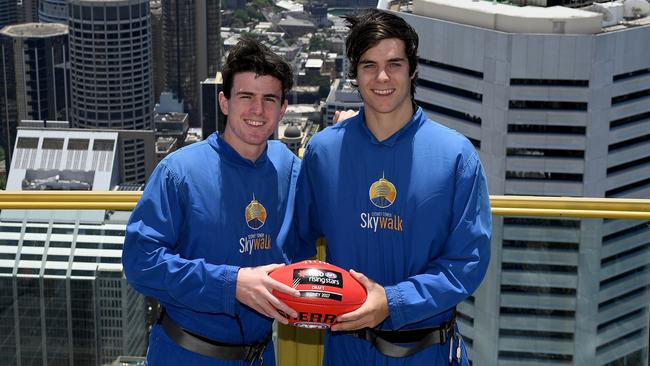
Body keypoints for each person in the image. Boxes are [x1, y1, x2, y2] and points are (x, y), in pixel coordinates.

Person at [295, 9, 492, 365]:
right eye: (368, 65)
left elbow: (468, 261)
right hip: (345, 351)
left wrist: (392, 301)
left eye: (394, 64)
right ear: (354, 74)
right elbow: (295, 243)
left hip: (426, 352)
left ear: (413, 70)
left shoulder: (456, 156)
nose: (381, 76)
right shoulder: (324, 153)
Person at [122, 38, 308, 366]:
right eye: (246, 97)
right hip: (187, 355)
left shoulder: (287, 165)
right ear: (224, 102)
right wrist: (232, 283)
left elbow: (306, 238)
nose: (257, 111)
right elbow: (141, 263)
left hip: (262, 354)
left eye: (269, 99)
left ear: (282, 109)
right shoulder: (178, 172)